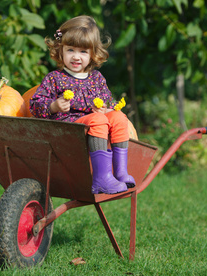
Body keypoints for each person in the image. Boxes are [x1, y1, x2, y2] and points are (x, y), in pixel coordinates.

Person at [29, 15, 135, 194]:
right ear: (60, 49)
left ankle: (120, 172)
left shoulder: (96, 79)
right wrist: (54, 106)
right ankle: (101, 178)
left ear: (93, 53)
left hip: (93, 128)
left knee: (118, 117)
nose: (76, 57)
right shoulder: (55, 79)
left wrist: (106, 108)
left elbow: (108, 101)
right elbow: (35, 104)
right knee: (98, 120)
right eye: (70, 50)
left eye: (83, 52)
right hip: (68, 132)